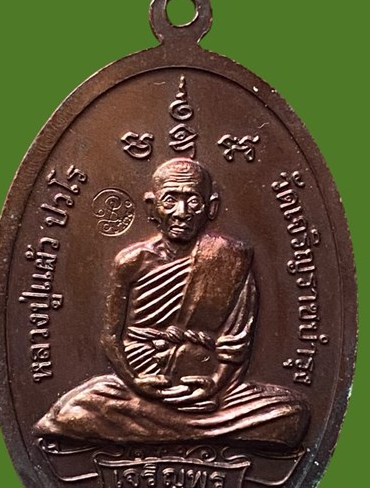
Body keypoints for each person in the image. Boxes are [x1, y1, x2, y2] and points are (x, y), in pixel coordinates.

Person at [35, 158, 309, 452]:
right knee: (74, 412)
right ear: (152, 207)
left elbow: (236, 342)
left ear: (211, 207)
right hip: (140, 383)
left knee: (290, 414)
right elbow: (110, 338)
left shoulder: (230, 258)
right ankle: (198, 429)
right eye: (170, 200)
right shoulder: (132, 261)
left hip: (208, 391)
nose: (182, 212)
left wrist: (214, 383)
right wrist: (137, 383)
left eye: (193, 201)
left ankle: (164, 428)